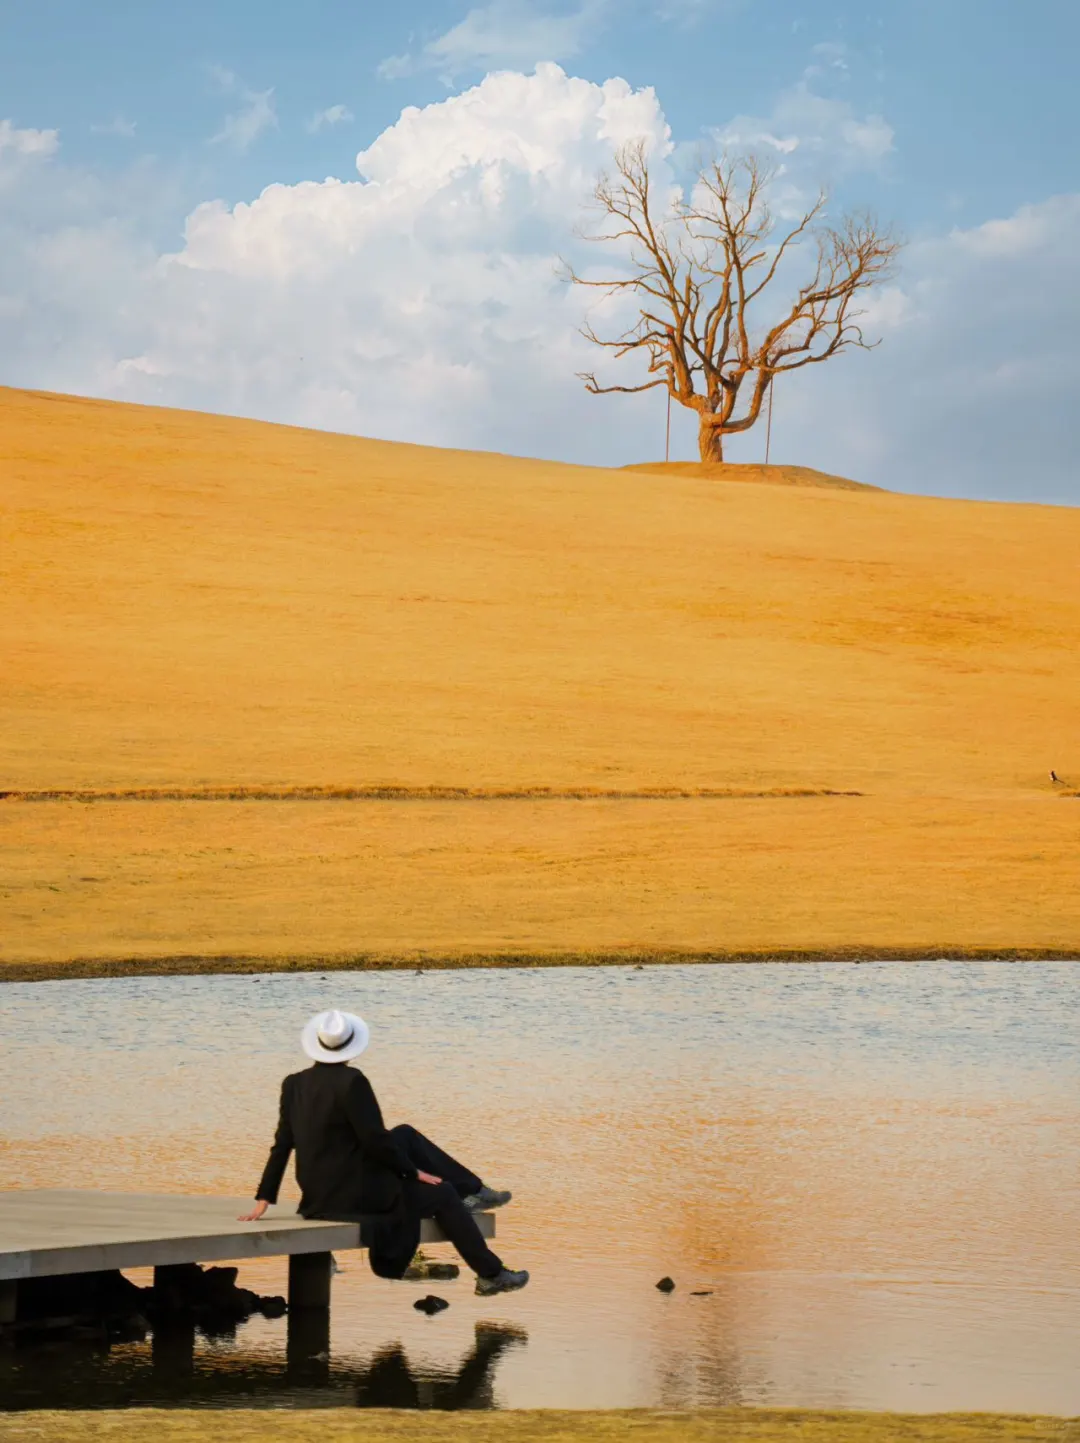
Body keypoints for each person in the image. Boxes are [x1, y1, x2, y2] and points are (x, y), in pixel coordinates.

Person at [239, 1008, 529, 1296]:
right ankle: (491, 1273)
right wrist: (413, 1172)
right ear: (351, 1046)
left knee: (404, 1134)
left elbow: (283, 1142)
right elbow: (373, 1140)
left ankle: (474, 1191)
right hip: (353, 1195)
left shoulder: (293, 1083)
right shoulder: (353, 1081)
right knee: (443, 1193)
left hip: (319, 1194)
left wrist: (264, 1196)